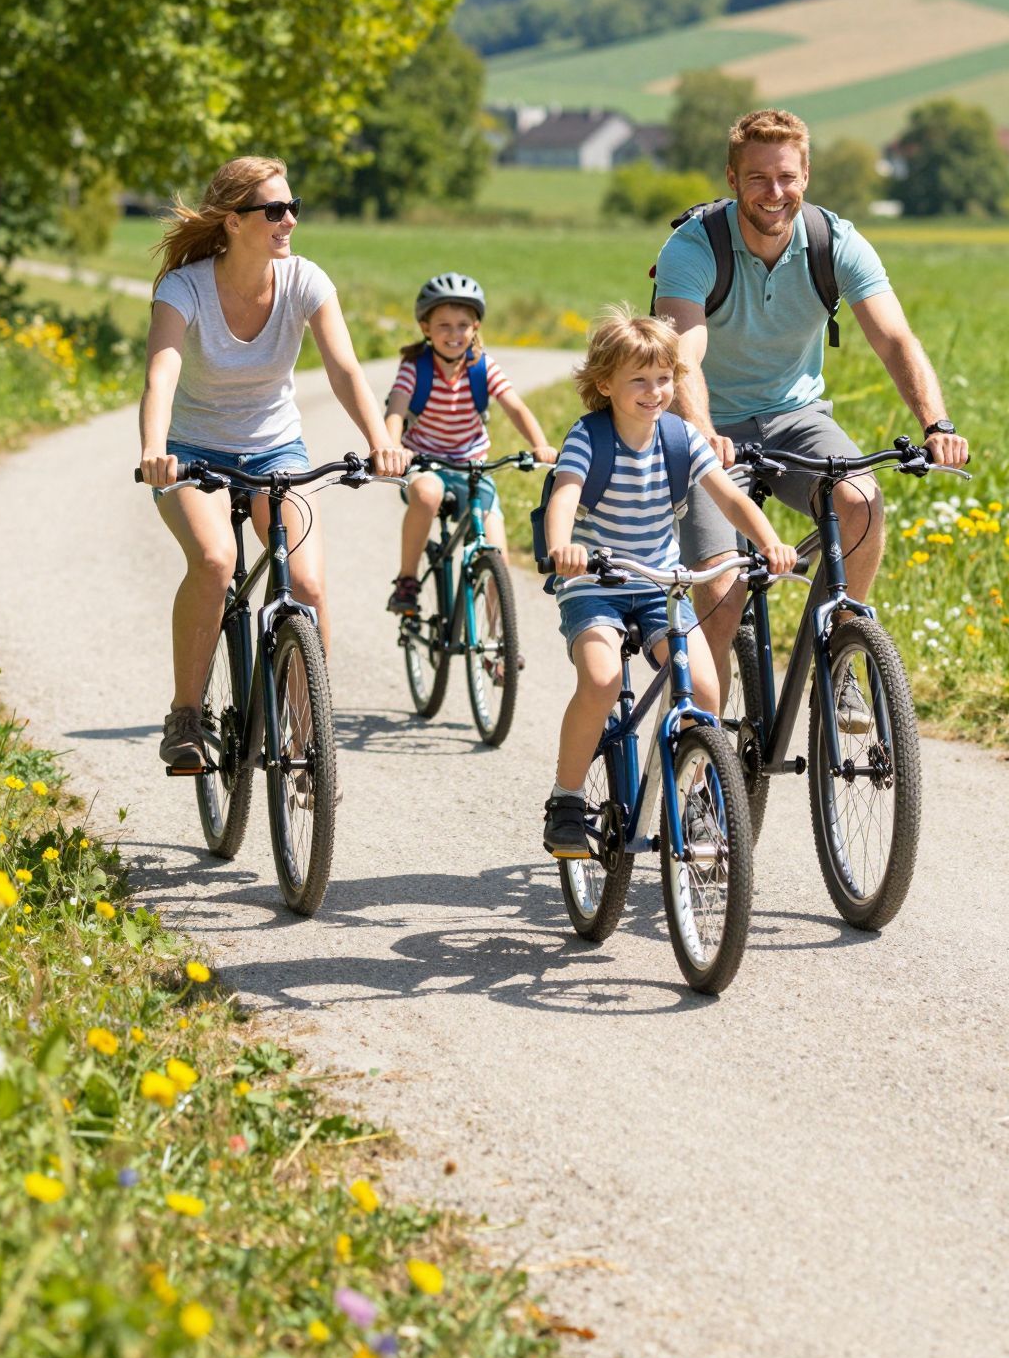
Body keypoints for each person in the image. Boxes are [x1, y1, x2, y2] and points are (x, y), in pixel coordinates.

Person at [653, 107, 970, 722]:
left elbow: (895, 340)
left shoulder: (834, 242)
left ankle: (841, 653)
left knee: (862, 499)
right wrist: (704, 434)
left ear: (806, 176)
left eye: (787, 177)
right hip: (707, 425)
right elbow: (683, 358)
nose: (775, 193)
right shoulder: (693, 248)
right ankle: (698, 764)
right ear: (732, 179)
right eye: (758, 179)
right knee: (720, 593)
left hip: (795, 418)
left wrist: (937, 424)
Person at [138, 155, 407, 771]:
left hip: (276, 450)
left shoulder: (306, 279)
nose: (289, 220)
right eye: (275, 210)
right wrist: (155, 448)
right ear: (233, 222)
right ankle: (186, 716)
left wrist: (377, 438)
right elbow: (163, 371)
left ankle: (310, 741)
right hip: (192, 453)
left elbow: (343, 368)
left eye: (294, 208)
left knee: (306, 585)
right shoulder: (185, 288)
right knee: (214, 561)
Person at [541, 308, 796, 861]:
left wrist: (770, 541)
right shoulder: (589, 437)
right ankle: (565, 798)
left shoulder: (681, 439)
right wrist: (564, 547)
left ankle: (697, 801)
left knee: (704, 690)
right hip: (597, 581)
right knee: (603, 677)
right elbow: (564, 494)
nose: (654, 391)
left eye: (664, 379)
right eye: (639, 380)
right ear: (605, 384)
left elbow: (728, 496)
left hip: (662, 582)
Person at [383, 272, 556, 617]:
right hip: (424, 463)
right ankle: (407, 580)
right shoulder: (415, 367)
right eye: (443, 325)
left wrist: (541, 444)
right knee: (428, 495)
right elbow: (396, 410)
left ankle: (498, 649)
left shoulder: (482, 367)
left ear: (475, 327)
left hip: (472, 465)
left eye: (462, 324)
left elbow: (515, 407)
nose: (454, 333)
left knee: (498, 556)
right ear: (425, 328)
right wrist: (391, 448)